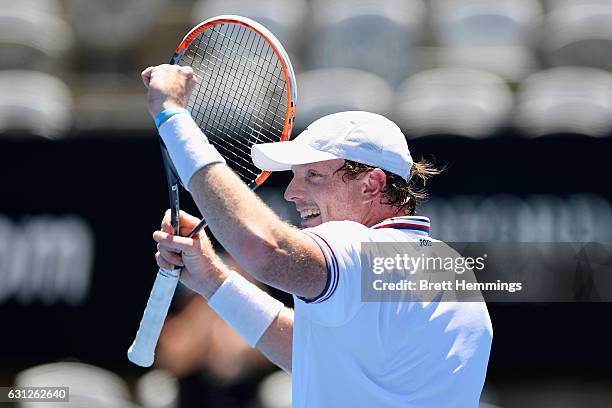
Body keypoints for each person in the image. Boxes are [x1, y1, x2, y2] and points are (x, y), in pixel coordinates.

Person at [142, 64, 493, 407]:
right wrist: (213, 279)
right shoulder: (448, 266)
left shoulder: (360, 248)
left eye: (313, 176)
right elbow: (317, 357)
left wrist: (173, 116)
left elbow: (266, 248)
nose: (291, 193)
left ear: (372, 184)